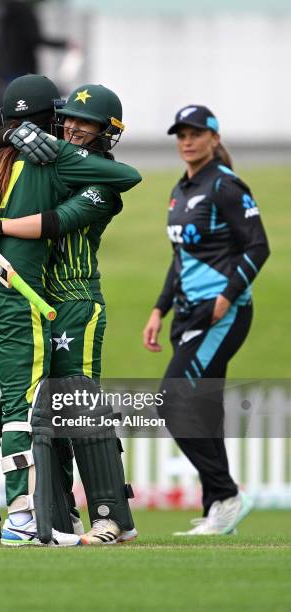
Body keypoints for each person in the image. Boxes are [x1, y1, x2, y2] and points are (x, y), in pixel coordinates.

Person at [0, 75, 141, 546]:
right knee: (35, 412)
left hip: (74, 300)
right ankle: (54, 517)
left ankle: (111, 517)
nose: (74, 131)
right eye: (70, 121)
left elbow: (59, 221)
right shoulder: (34, 161)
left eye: (87, 125)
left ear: (106, 133)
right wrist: (6, 134)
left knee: (78, 407)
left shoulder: (96, 179)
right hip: (26, 297)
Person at [143, 105, 270, 535]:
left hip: (223, 314)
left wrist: (226, 297)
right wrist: (160, 309)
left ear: (214, 138)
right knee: (199, 409)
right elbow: (180, 258)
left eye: (196, 133)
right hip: (188, 314)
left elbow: (258, 247)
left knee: (172, 400)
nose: (187, 140)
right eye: (180, 134)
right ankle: (219, 508)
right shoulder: (181, 190)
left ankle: (228, 493)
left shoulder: (226, 186)